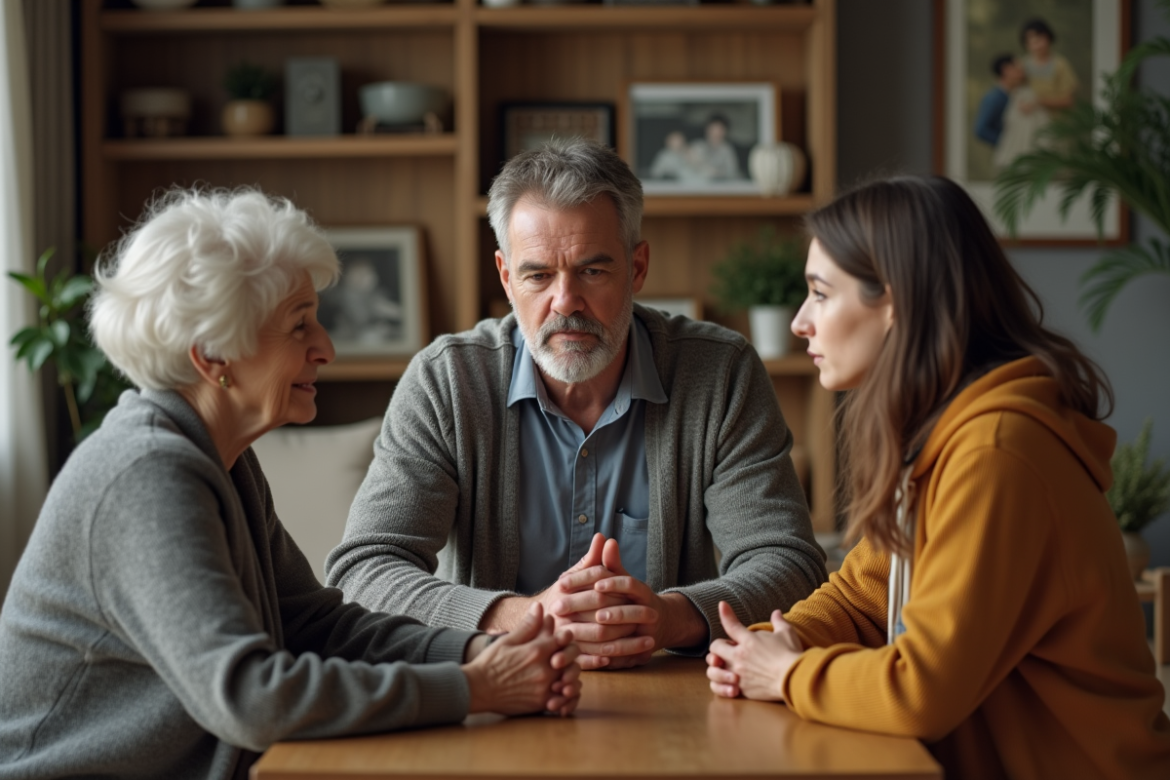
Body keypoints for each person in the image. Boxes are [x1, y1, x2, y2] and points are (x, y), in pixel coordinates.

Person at [0, 188, 581, 780]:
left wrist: (478, 652)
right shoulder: (145, 476)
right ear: (213, 355)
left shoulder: (221, 458)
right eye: (299, 325)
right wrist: (472, 689)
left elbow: (316, 626)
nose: (326, 348)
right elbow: (254, 698)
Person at [704, 175, 1170, 779]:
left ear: (895, 302)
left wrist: (788, 673)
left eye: (820, 293)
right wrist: (763, 642)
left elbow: (922, 689)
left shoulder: (996, 455)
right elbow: (864, 598)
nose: (799, 322)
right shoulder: (940, 438)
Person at [326, 138, 825, 671]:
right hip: (495, 690)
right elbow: (364, 571)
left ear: (637, 268)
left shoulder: (721, 373)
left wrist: (668, 617)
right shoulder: (446, 381)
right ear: (506, 276)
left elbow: (789, 564)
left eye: (592, 271)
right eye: (538, 274)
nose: (565, 302)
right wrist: (526, 617)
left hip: (670, 696)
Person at [1019, 18, 1078, 113]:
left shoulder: (1060, 64)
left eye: (1039, 39)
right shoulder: (1021, 65)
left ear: (1049, 38)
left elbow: (1068, 100)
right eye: (1031, 41)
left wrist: (1039, 102)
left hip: (1057, 123)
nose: (1037, 45)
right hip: (1029, 123)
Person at [973, 53, 1026, 147]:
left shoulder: (1015, 95)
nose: (1022, 74)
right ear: (1006, 70)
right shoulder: (995, 97)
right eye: (1018, 70)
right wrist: (1008, 144)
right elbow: (981, 130)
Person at [688, 114, 743, 180]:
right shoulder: (697, 147)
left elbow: (732, 173)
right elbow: (692, 171)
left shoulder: (727, 150)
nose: (716, 133)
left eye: (720, 129)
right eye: (713, 129)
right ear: (707, 130)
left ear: (725, 132)